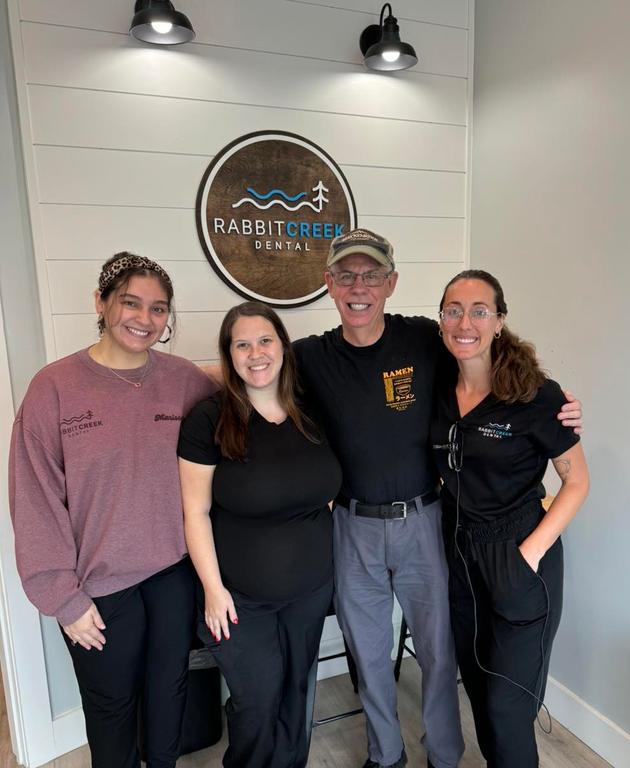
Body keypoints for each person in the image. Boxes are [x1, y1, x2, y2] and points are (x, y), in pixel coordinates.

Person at [291, 228, 583, 768]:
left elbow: (494, 368)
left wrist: (557, 403)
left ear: (391, 282)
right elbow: (250, 377)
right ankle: (386, 755)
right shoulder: (308, 357)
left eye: (372, 274)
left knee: (440, 650)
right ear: (328, 283)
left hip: (427, 520)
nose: (360, 286)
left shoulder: (427, 338)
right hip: (353, 526)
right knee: (370, 656)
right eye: (347, 275)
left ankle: (444, 755)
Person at [9, 252, 215, 768]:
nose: (145, 319)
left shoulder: (182, 379)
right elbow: (33, 497)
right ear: (100, 303)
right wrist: (62, 598)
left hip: (171, 573)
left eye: (159, 309)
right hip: (97, 589)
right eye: (131, 303)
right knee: (111, 712)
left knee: (169, 695)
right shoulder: (53, 388)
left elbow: (241, 398)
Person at [431, 269, 589, 767]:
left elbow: (577, 481)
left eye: (480, 310)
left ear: (499, 321)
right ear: (440, 320)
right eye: (453, 309)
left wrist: (529, 554)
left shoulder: (537, 395)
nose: (465, 321)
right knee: (477, 689)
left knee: (508, 706)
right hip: (459, 556)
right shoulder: (436, 383)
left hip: (520, 555)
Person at [177, 301, 342, 768]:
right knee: (257, 699)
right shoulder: (209, 420)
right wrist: (212, 589)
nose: (256, 353)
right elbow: (195, 511)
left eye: (265, 340)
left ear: (283, 347)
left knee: (296, 691)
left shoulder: (312, 413)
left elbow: (326, 486)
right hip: (238, 598)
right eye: (242, 344)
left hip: (310, 589)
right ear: (229, 356)